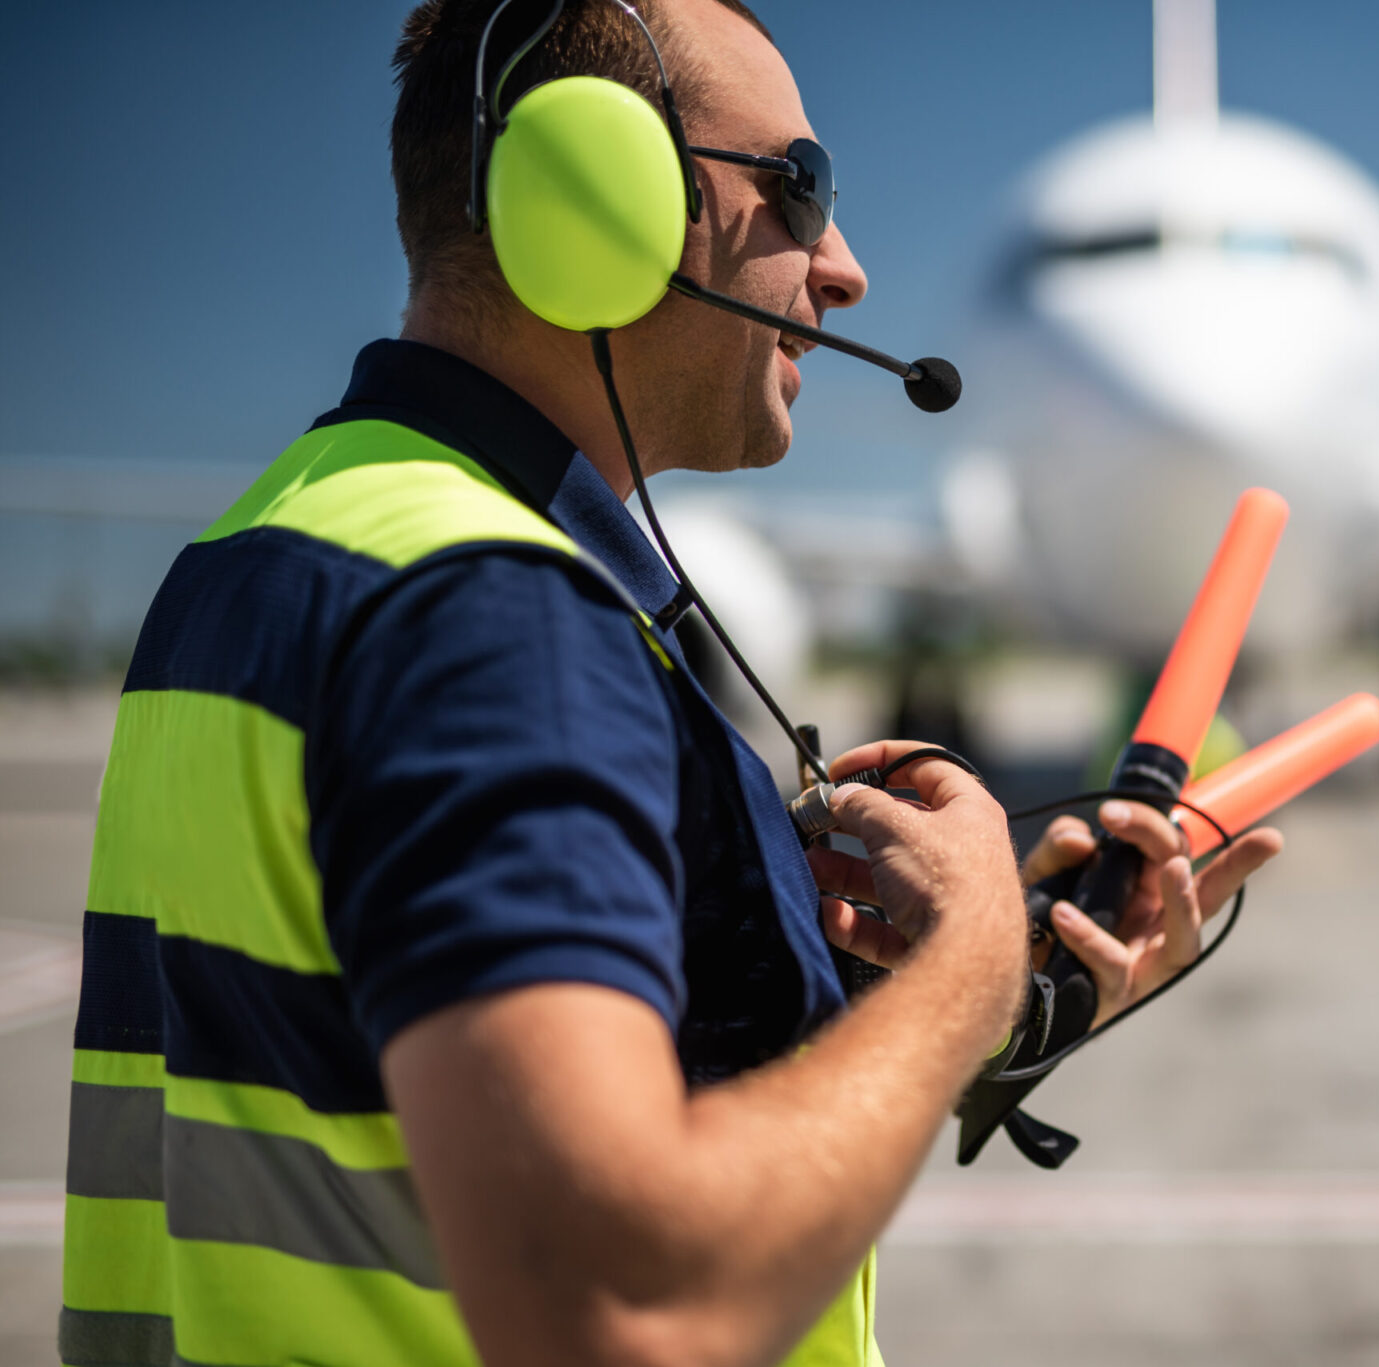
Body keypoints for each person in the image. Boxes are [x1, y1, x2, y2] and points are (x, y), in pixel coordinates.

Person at [58, 2, 1283, 1365]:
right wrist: (971, 982)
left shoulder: (270, 547)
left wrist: (923, 990)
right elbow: (622, 1303)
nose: (849, 272)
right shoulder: (489, 616)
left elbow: (346, 1079)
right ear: (606, 184)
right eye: (801, 188)